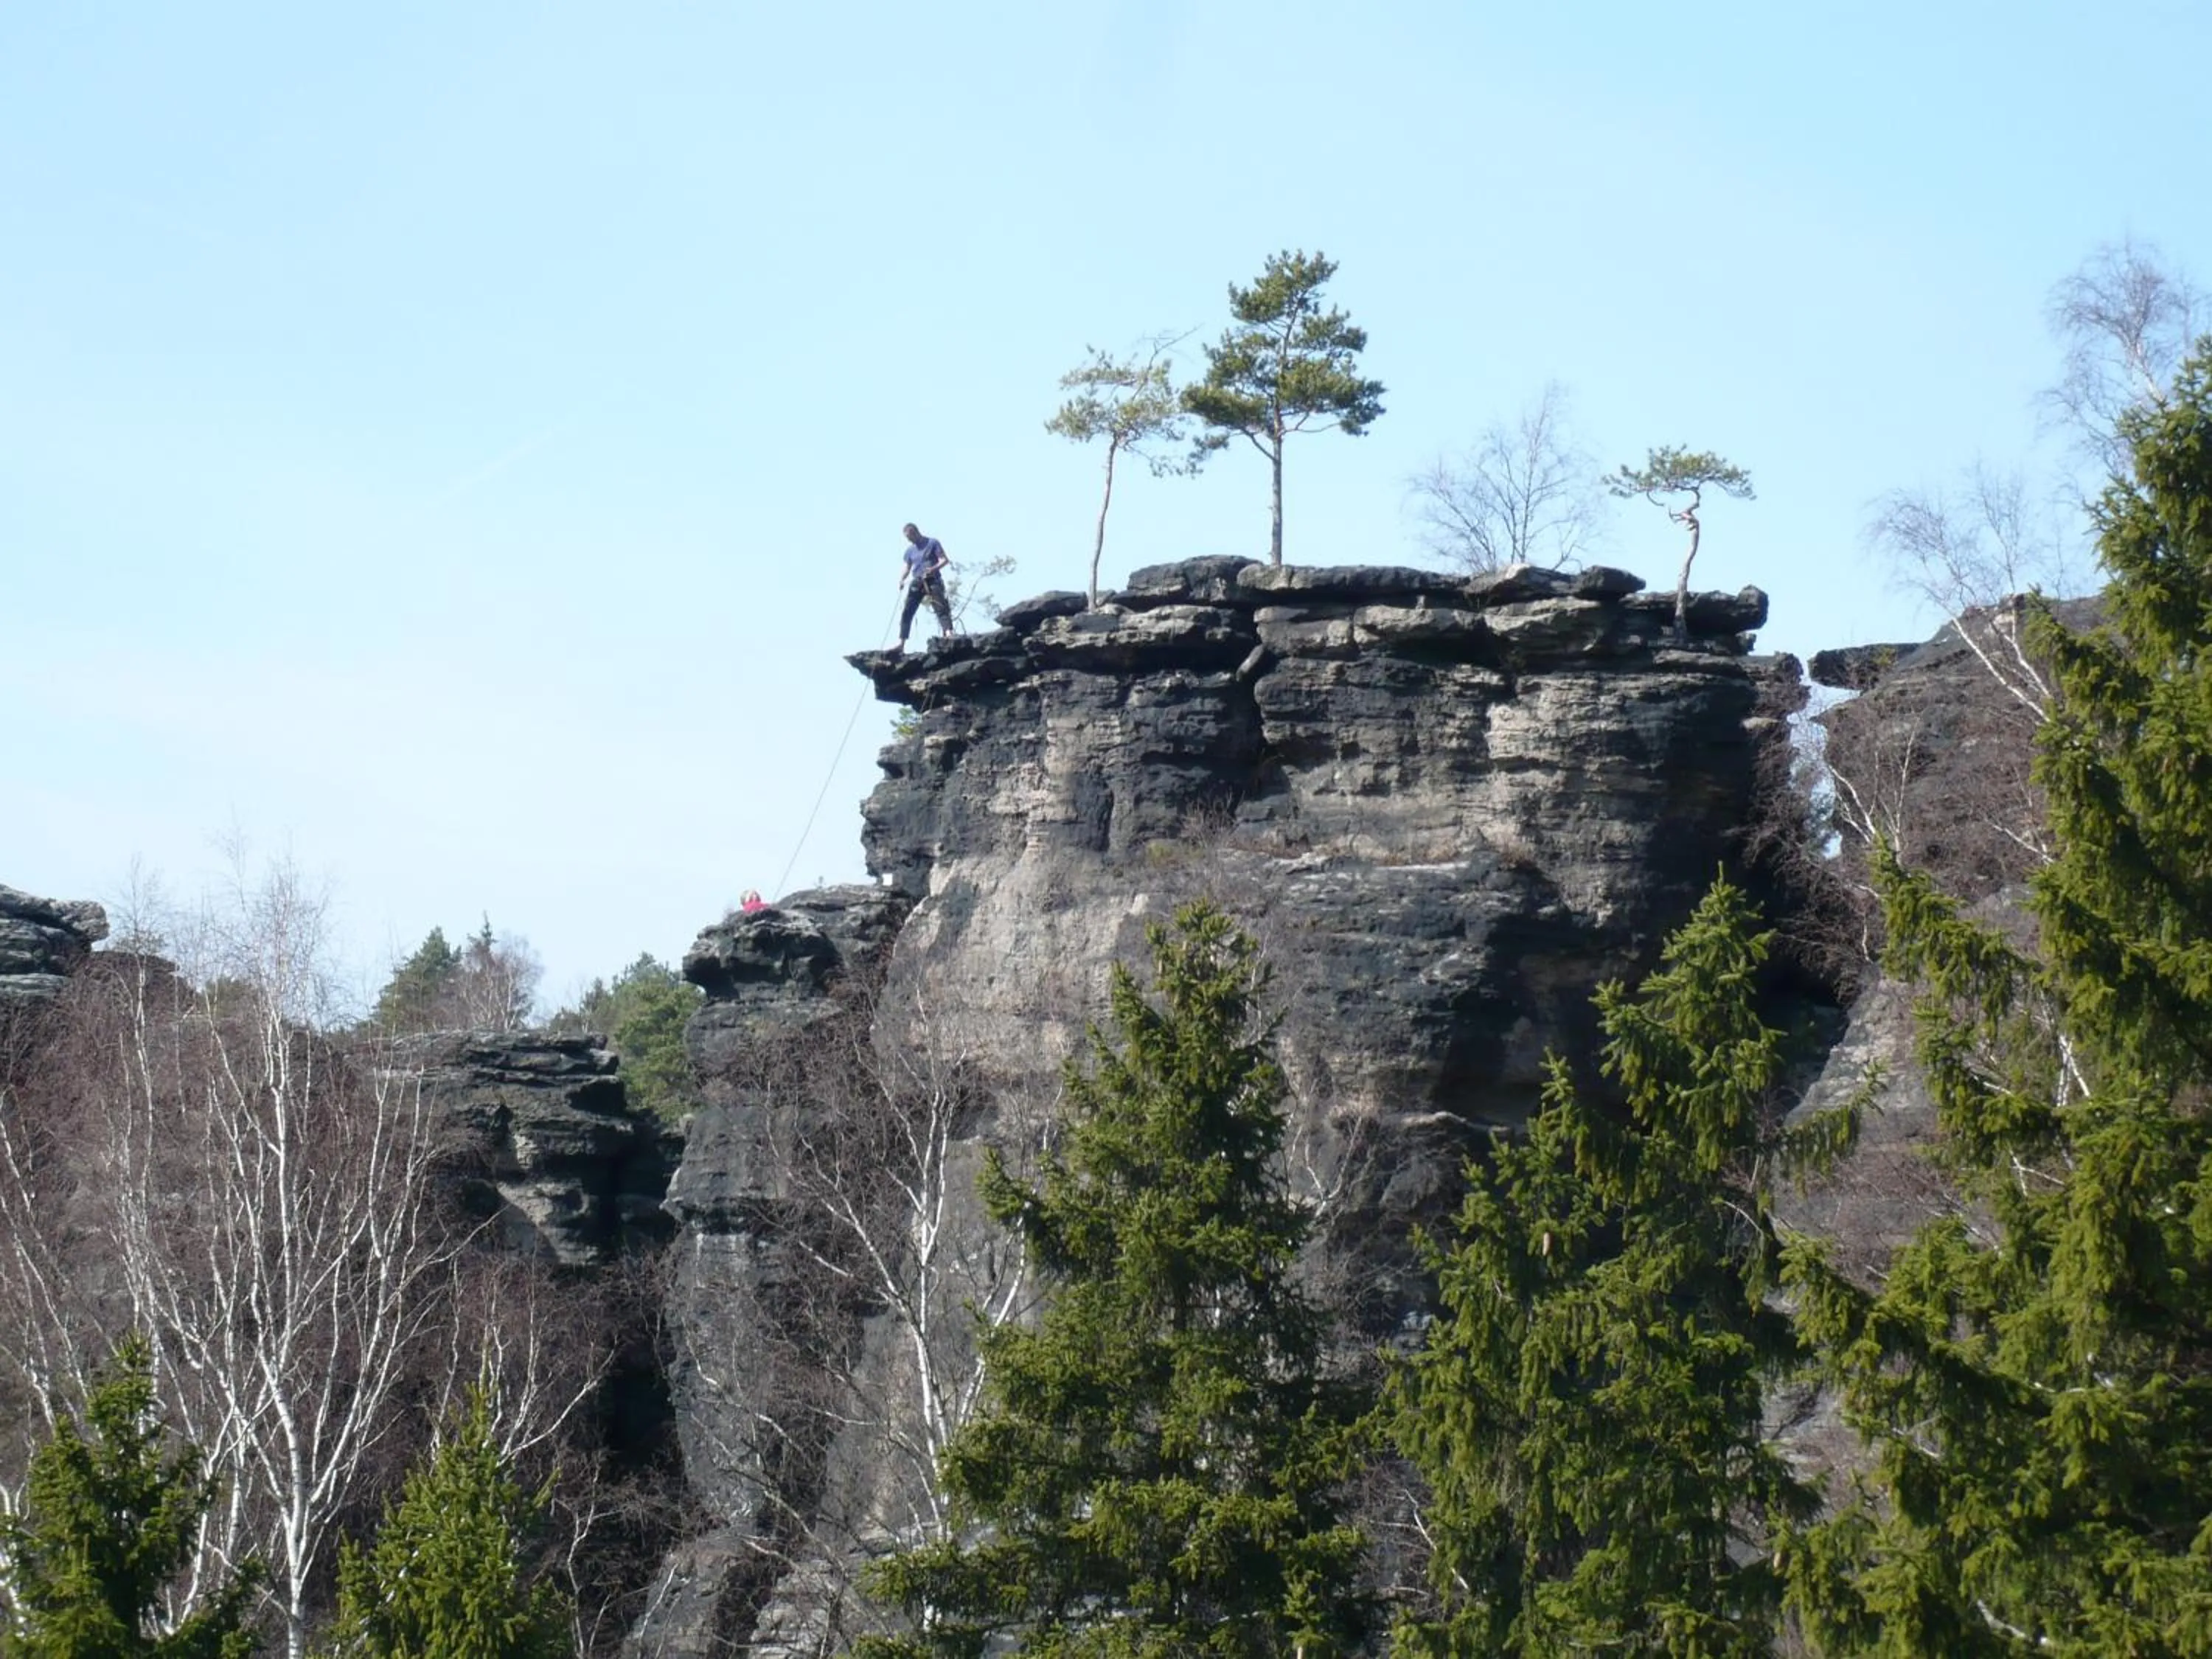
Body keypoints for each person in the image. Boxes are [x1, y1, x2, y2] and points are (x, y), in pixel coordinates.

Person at [894, 522, 955, 650]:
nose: (909, 540)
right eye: (907, 538)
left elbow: (944, 560)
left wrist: (934, 568)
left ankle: (949, 633)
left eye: (910, 537)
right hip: (917, 581)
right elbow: (907, 566)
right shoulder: (910, 551)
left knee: (940, 606)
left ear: (916, 532)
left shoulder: (932, 543)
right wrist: (902, 579)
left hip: (932, 579)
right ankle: (901, 643)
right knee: (907, 611)